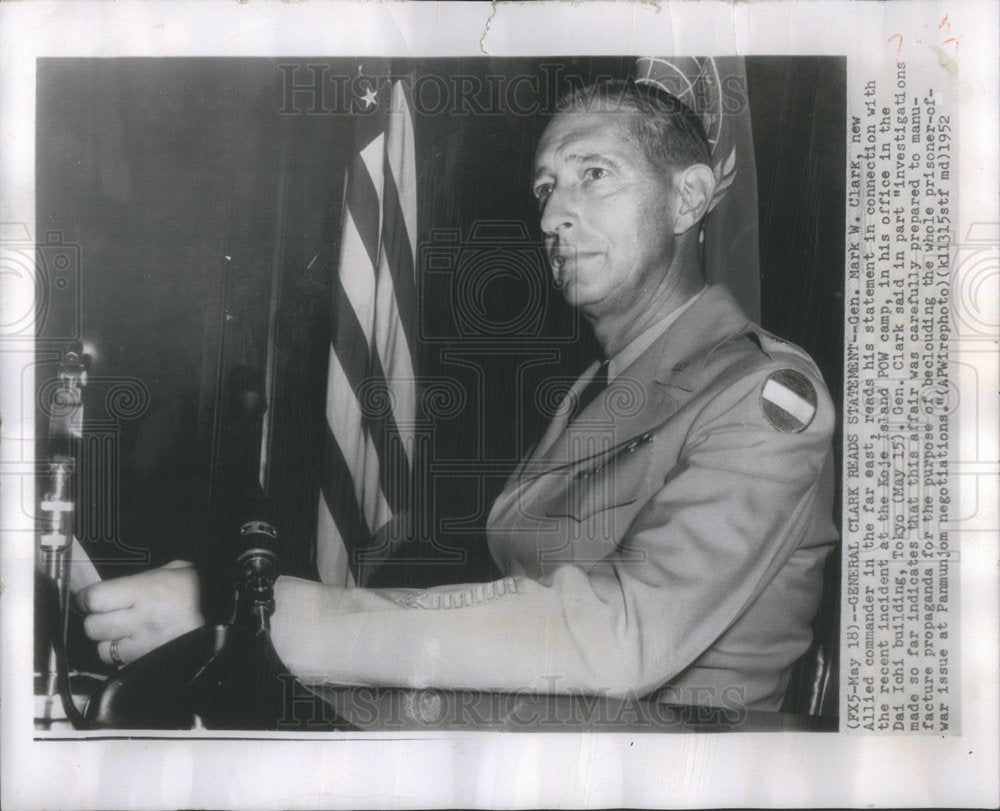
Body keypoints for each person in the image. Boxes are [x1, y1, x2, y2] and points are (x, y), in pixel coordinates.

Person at [78, 80, 837, 712]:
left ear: (689, 198)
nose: (551, 215)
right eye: (545, 186)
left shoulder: (762, 397)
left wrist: (259, 613)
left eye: (593, 174)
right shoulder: (597, 388)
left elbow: (618, 638)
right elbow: (521, 603)